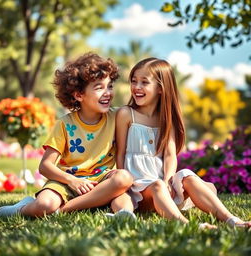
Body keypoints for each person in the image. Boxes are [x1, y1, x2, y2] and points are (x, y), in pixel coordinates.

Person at [107, 57, 251, 228]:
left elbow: (169, 156)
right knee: (157, 185)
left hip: (162, 186)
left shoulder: (166, 119)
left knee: (187, 175)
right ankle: (186, 225)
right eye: (134, 81)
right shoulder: (126, 114)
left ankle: (231, 219)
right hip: (138, 191)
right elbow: (121, 152)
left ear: (161, 88)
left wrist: (169, 180)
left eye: (144, 82)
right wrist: (125, 188)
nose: (136, 87)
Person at [0, 53, 133, 218]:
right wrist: (72, 181)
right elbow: (45, 166)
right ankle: (20, 208)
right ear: (78, 95)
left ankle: (72, 211)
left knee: (123, 178)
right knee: (44, 205)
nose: (108, 93)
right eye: (99, 87)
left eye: (110, 86)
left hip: (101, 180)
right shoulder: (64, 124)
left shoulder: (118, 116)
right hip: (67, 181)